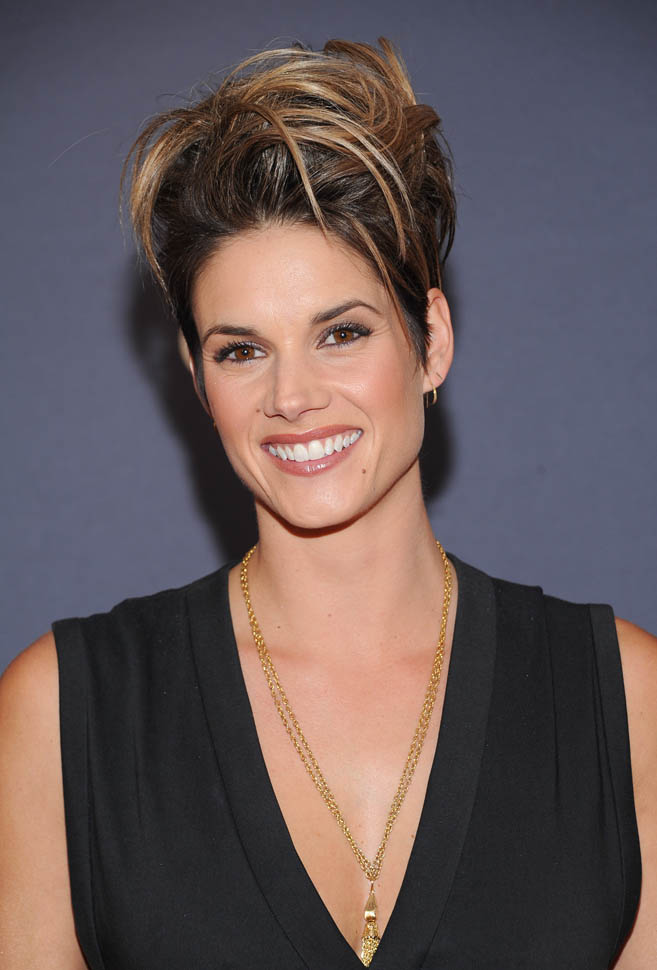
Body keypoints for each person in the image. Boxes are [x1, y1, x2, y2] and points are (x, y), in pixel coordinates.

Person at [0, 36, 655, 970]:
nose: (292, 396)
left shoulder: (624, 703)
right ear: (197, 379)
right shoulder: (64, 713)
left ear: (430, 342)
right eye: (241, 350)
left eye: (341, 333)